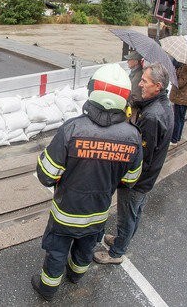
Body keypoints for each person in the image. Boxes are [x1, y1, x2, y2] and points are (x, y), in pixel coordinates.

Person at [31, 64, 143, 301]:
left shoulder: (72, 129)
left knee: (57, 251)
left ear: (93, 90)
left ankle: (47, 288)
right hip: (98, 213)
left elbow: (46, 175)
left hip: (66, 213)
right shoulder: (132, 136)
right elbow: (130, 180)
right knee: (85, 250)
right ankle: (76, 276)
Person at [94, 63, 174, 265]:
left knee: (127, 215)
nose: (140, 84)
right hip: (150, 175)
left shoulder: (152, 116)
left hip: (138, 179)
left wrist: (125, 177)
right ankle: (123, 239)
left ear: (157, 86)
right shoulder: (164, 105)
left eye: (144, 81)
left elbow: (141, 154)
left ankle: (116, 253)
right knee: (136, 212)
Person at [169, 62, 187, 144]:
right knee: (181, 118)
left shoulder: (186, 68)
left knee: (177, 118)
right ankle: (178, 136)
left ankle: (174, 139)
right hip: (185, 97)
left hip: (181, 97)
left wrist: (174, 75)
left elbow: (180, 83)